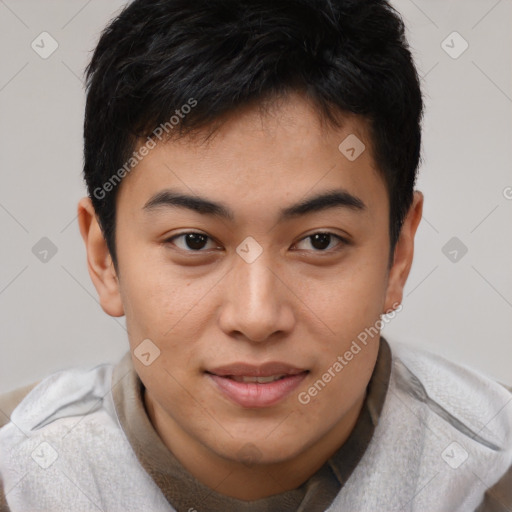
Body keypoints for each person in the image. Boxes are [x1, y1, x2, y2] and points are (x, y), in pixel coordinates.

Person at [1, 0, 511, 510]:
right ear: (104, 258)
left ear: (398, 254)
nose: (257, 316)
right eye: (194, 241)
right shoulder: (20, 472)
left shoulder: (491, 470)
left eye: (320, 241)